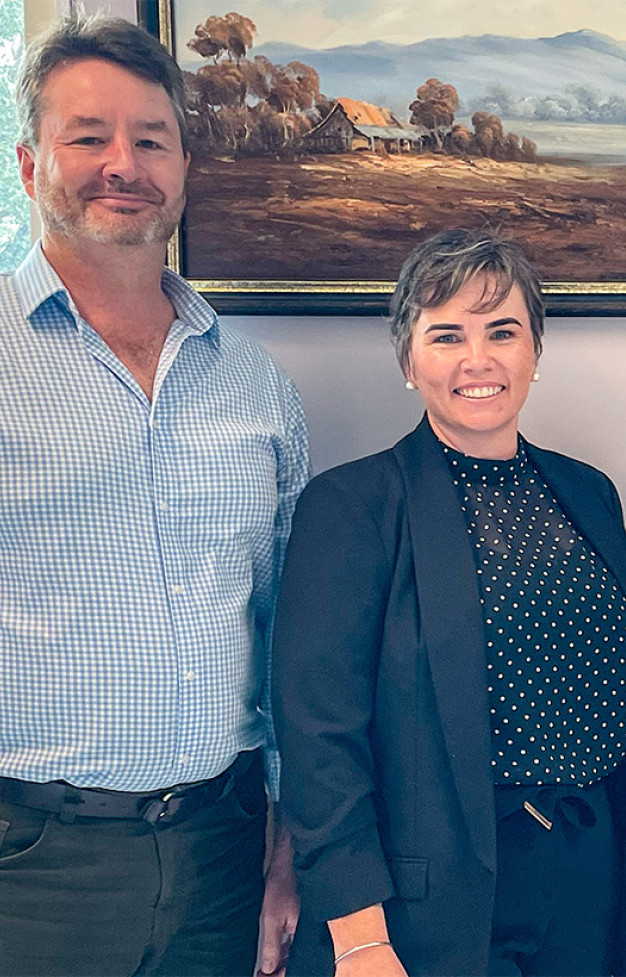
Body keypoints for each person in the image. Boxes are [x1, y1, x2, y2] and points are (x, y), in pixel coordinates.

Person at [272, 228, 626, 976]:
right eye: (446, 334)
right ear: (407, 357)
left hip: (591, 876)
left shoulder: (589, 493)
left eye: (502, 331)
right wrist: (359, 934)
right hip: (428, 901)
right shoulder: (352, 507)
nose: (478, 359)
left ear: (535, 350)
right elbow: (319, 739)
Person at [0, 15, 307, 977]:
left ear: (182, 169)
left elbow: (285, 627)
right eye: (87, 137)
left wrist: (288, 838)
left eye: (150, 139)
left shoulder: (255, 385)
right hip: (31, 863)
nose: (121, 164)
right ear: (28, 164)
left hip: (224, 850)